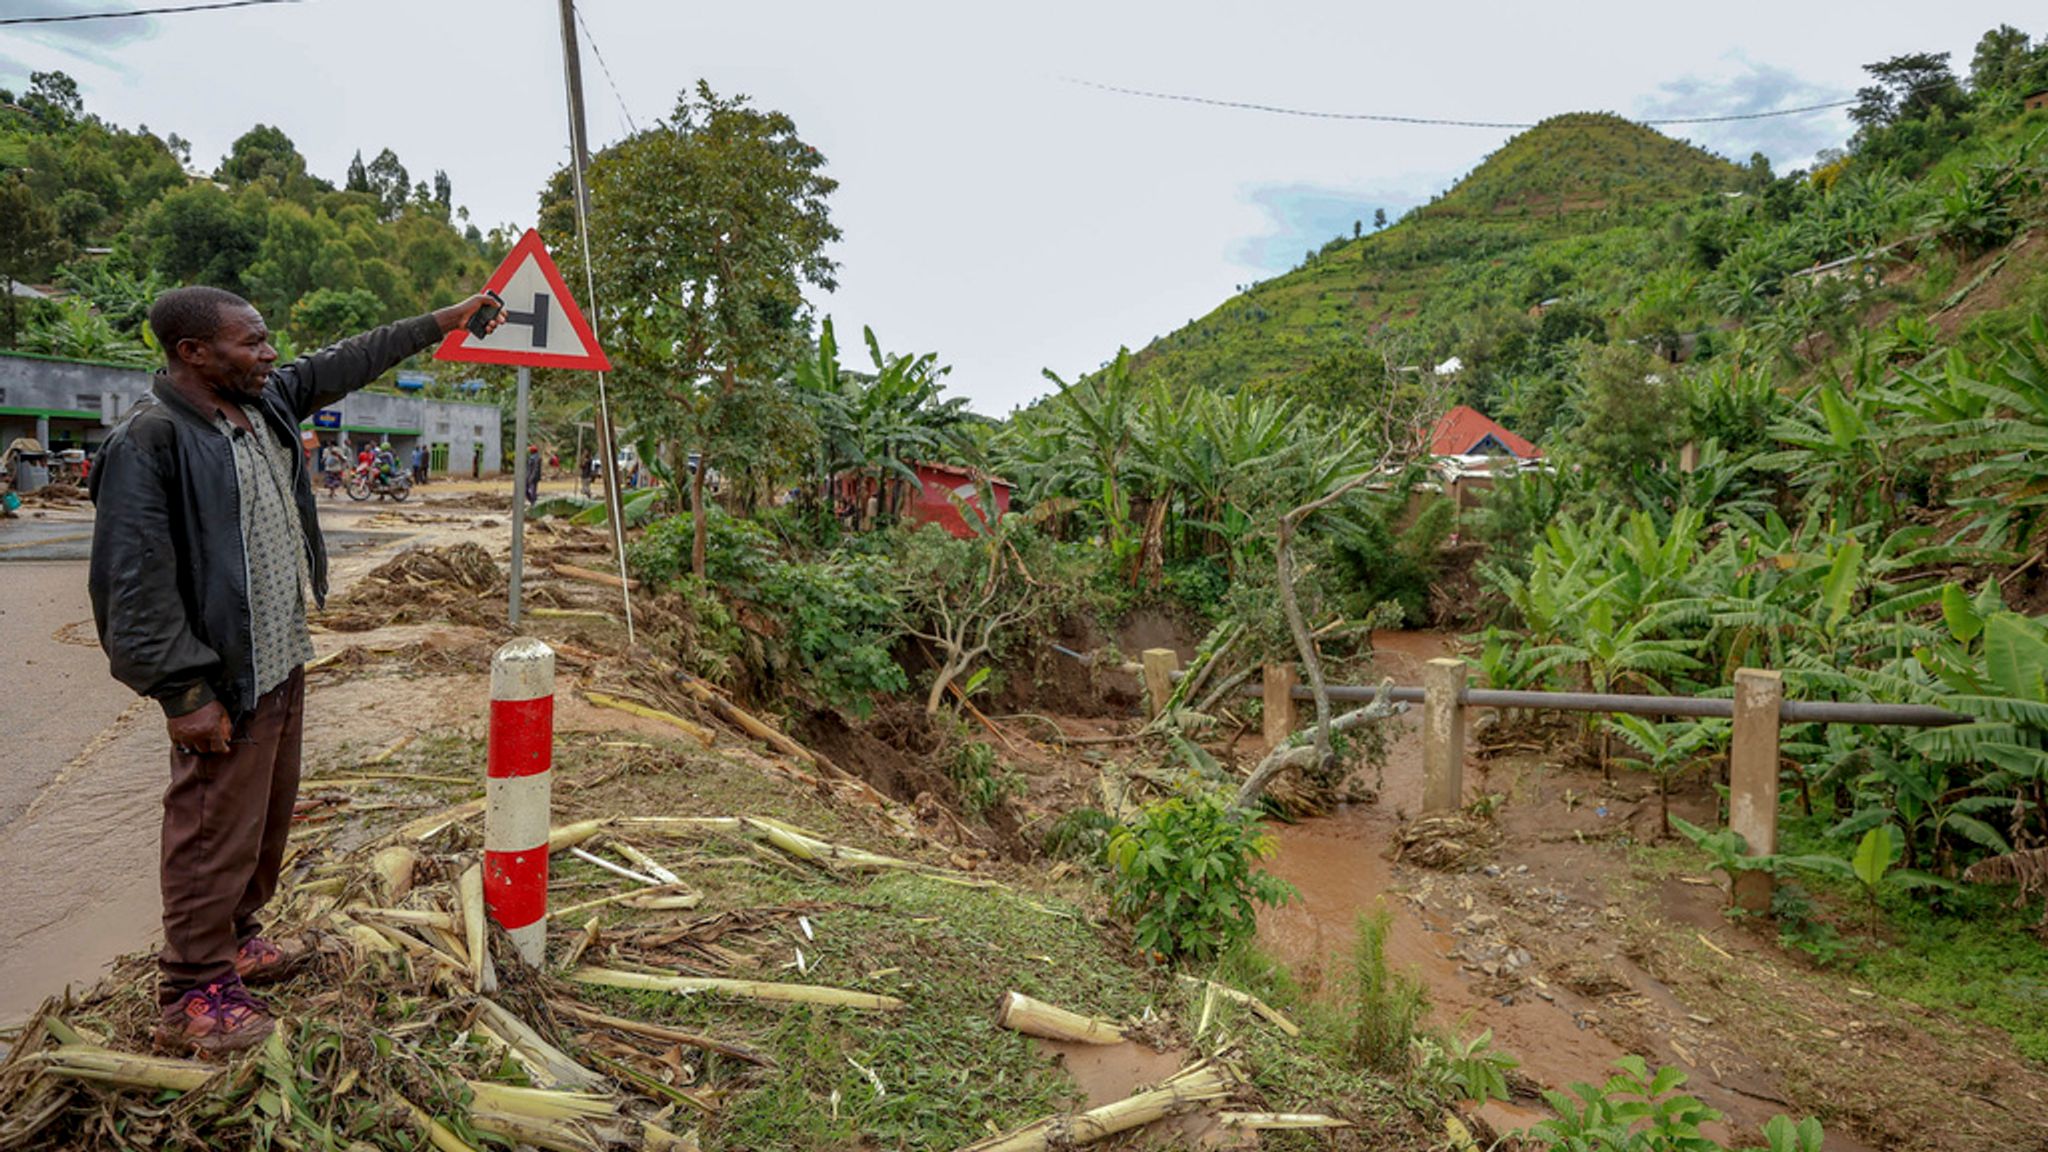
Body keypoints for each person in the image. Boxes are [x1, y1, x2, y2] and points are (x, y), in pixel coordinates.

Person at [88, 285, 503, 1056]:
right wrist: (184, 692)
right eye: (253, 342)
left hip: (279, 655)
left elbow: (350, 357)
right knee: (211, 828)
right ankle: (190, 991)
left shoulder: (263, 403)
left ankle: (239, 939)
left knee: (263, 821)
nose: (270, 354)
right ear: (194, 354)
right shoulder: (149, 441)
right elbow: (132, 584)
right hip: (222, 676)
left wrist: (443, 321)